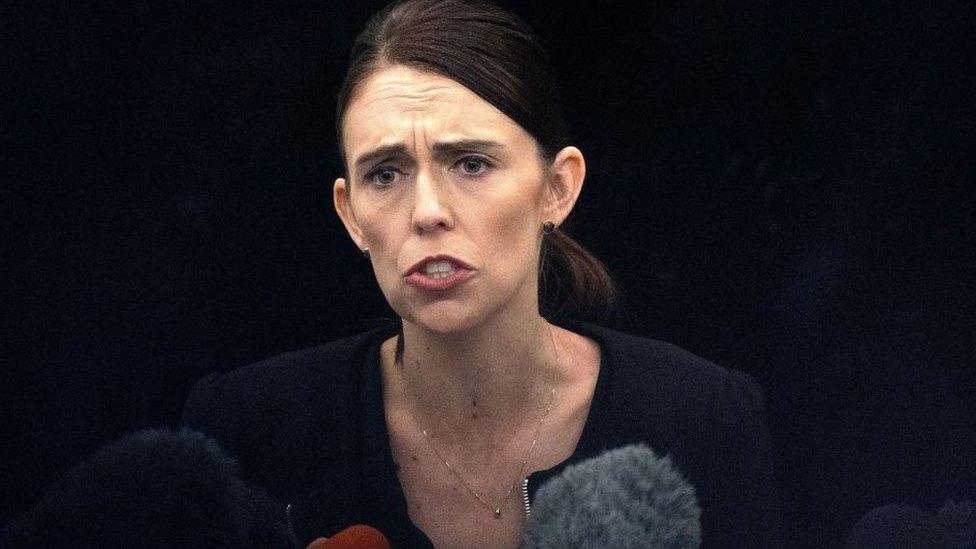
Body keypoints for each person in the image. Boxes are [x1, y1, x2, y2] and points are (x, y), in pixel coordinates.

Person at [181, 0, 785, 547]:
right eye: (385, 174)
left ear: (557, 188)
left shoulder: (699, 420)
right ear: (351, 214)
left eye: (470, 163)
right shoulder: (250, 428)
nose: (427, 213)